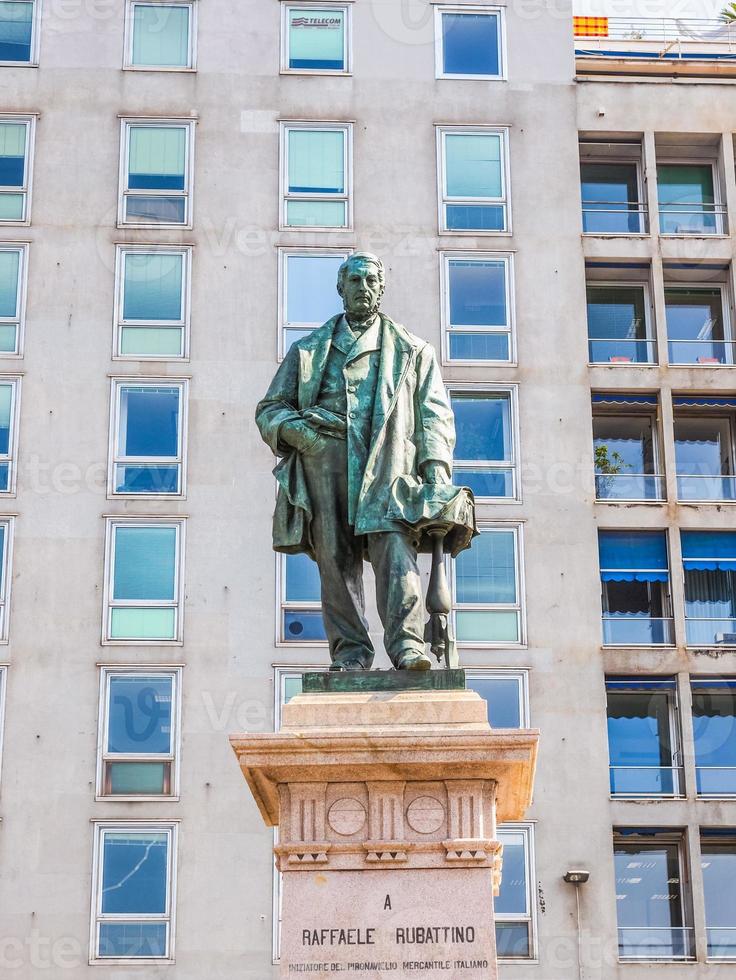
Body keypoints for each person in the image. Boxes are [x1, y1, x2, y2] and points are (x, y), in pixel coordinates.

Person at [256, 252, 475, 671]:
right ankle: (351, 654)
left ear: (382, 287)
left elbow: (434, 415)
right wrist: (299, 433)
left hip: (389, 463)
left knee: (395, 550)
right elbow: (270, 408)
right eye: (354, 281)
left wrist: (436, 471)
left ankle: (408, 646)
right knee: (335, 561)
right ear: (341, 288)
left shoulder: (413, 351)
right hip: (326, 460)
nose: (363, 288)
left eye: (371, 280)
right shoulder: (308, 351)